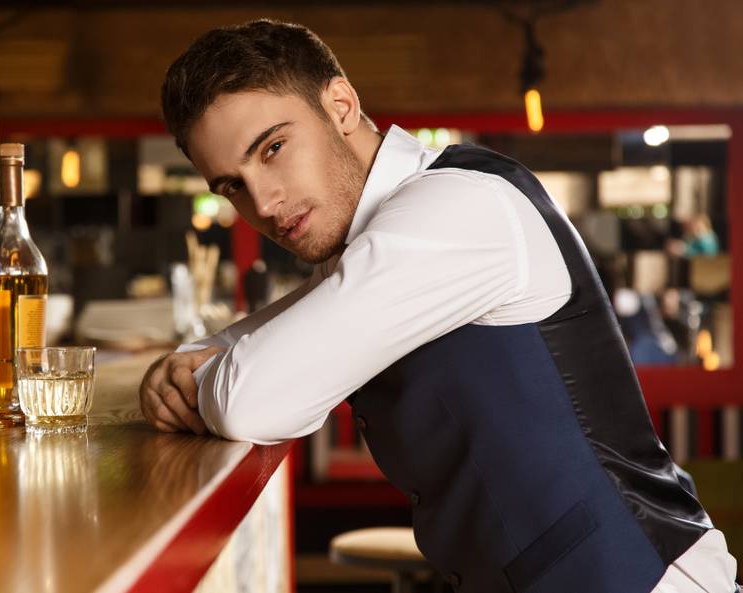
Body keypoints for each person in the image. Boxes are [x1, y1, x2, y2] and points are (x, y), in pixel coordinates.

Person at [138, 19, 738, 593]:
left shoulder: (454, 209)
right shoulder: (371, 240)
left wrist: (200, 376)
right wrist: (190, 361)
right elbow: (233, 349)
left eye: (272, 148)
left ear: (340, 106)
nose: (263, 203)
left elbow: (251, 397)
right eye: (232, 186)